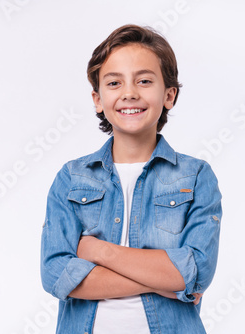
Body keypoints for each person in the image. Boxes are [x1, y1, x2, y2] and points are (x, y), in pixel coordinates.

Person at [40, 24, 222, 334]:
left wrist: (99, 252)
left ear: (169, 94)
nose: (129, 93)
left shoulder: (195, 176)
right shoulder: (72, 178)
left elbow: (195, 271)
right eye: (114, 83)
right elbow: (56, 274)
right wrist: (166, 282)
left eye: (144, 80)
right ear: (98, 99)